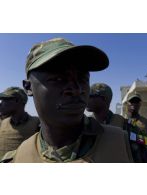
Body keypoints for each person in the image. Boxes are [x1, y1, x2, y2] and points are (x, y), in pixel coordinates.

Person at [1, 38, 133, 163]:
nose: (76, 89)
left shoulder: (128, 148)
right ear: (28, 87)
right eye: (58, 79)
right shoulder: (16, 159)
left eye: (82, 79)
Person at [0, 87, 40, 159]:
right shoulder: (2, 123)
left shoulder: (37, 124)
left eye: (4, 100)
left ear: (17, 100)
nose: (1, 104)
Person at [123, 93, 147, 163]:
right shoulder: (121, 121)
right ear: (127, 104)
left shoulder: (146, 123)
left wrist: (135, 137)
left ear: (140, 104)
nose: (134, 104)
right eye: (132, 102)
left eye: (137, 102)